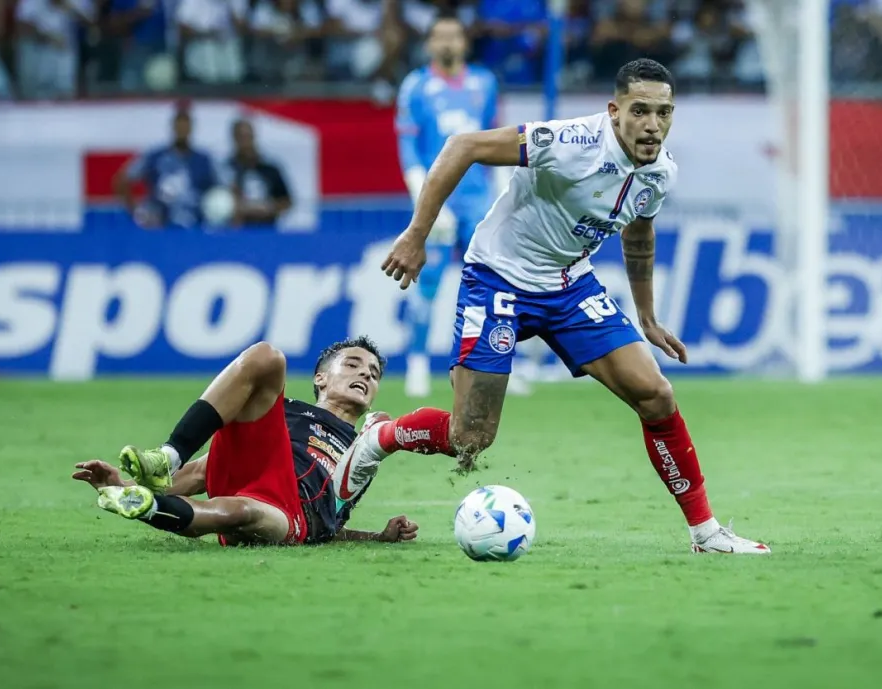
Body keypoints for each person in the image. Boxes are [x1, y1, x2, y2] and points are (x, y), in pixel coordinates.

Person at [355, 58, 770, 554]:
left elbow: (639, 231)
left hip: (570, 288)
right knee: (470, 438)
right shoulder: (568, 142)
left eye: (664, 112)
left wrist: (647, 316)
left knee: (655, 394)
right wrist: (417, 235)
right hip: (498, 279)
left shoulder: (660, 172)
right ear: (614, 111)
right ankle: (383, 436)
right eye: (641, 111)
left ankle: (705, 533)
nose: (653, 124)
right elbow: (462, 146)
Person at [72, 338, 418, 546]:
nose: (365, 375)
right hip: (259, 475)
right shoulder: (281, 413)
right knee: (267, 357)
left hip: (293, 516)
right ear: (321, 378)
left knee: (240, 511)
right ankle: (168, 456)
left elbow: (330, 524)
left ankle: (142, 506)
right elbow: (200, 475)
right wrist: (125, 480)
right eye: (354, 365)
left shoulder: (364, 445)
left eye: (373, 374)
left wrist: (377, 538)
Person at [395, 13, 541, 398]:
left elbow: (497, 139)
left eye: (453, 36)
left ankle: (501, 364)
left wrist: (502, 191)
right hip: (439, 199)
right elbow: (409, 148)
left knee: (499, 280)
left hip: (478, 197)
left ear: (464, 42)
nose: (446, 43)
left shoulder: (484, 83)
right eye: (439, 36)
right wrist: (422, 199)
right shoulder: (415, 87)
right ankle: (417, 363)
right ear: (429, 43)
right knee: (429, 279)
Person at [114, 105, 217, 229]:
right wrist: (136, 212)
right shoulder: (154, 157)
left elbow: (221, 188)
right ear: (173, 127)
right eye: (179, 126)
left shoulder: (204, 160)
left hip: (196, 226)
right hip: (160, 225)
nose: (182, 130)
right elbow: (122, 180)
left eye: (186, 126)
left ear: (191, 129)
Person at [220, 118, 294, 229]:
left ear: (254, 137)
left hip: (266, 230)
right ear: (234, 139)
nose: (245, 142)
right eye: (240, 137)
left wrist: (269, 208)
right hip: (236, 231)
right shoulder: (226, 170)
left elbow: (286, 201)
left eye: (247, 136)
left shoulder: (270, 169)